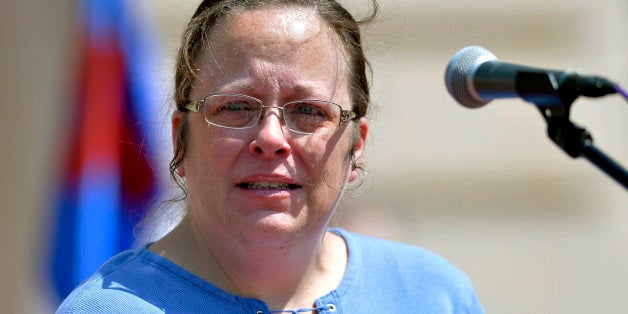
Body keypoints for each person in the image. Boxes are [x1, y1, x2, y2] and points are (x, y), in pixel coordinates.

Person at [58, 0, 485, 313]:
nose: (270, 137)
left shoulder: (433, 294)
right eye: (235, 107)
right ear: (181, 140)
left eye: (308, 111)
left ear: (355, 147)